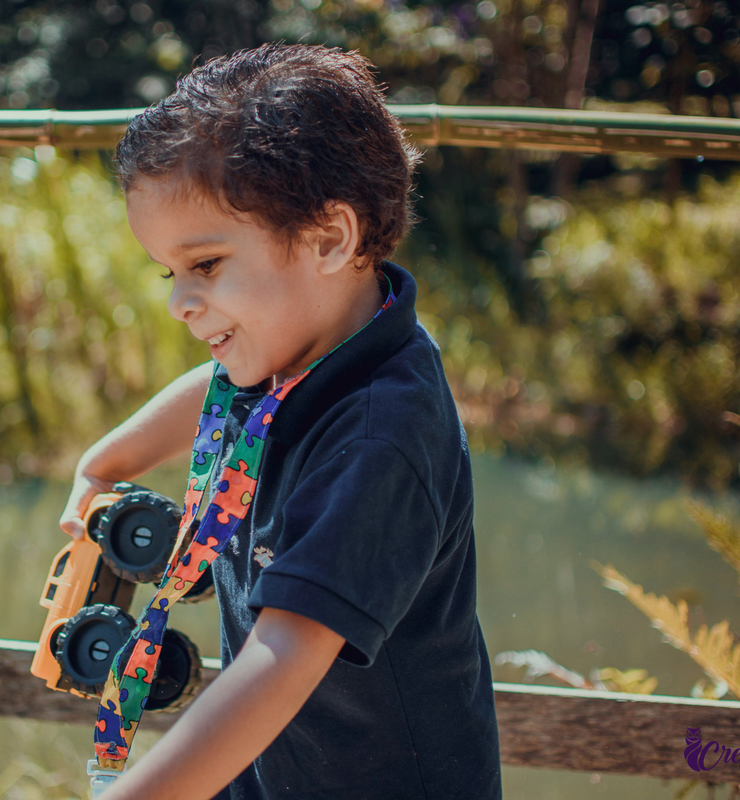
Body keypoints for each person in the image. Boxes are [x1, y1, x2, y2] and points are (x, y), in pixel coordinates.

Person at [57, 42, 502, 800]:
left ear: (331, 238)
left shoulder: (378, 437)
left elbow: (281, 659)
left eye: (205, 265)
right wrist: (107, 459)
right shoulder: (307, 352)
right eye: (170, 273)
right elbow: (214, 390)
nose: (178, 303)